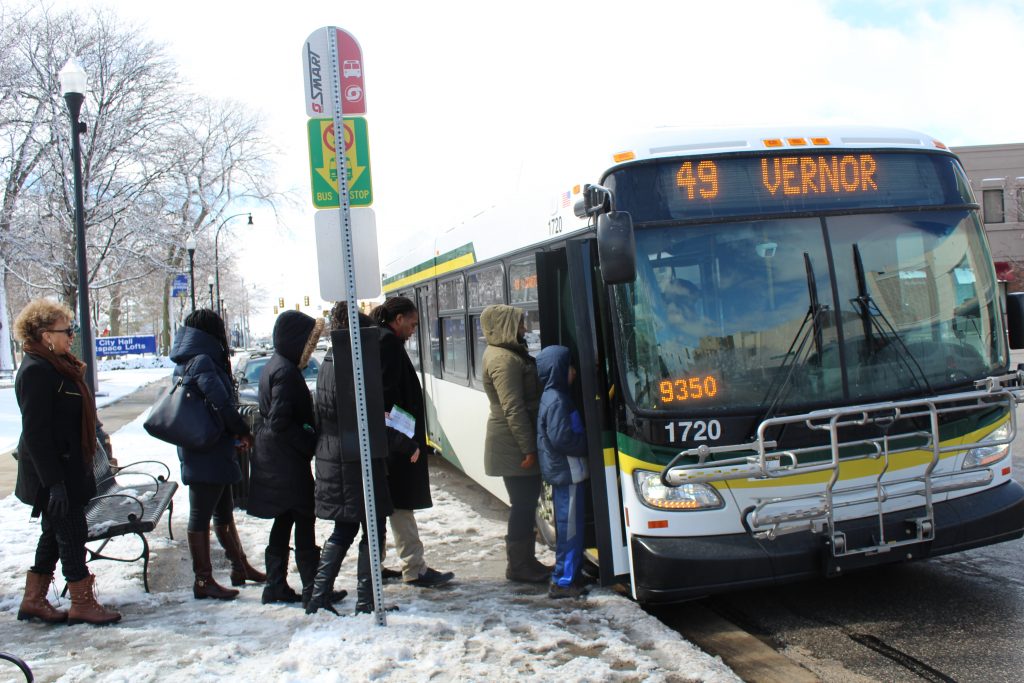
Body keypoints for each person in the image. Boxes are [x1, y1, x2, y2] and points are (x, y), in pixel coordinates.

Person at [12, 299, 120, 625]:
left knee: (54, 533)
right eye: (66, 331)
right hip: (54, 474)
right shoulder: (36, 371)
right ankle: (82, 602)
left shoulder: (57, 365)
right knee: (71, 533)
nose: (70, 336)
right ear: (46, 335)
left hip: (69, 469)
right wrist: (54, 483)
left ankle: (33, 600)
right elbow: (36, 434)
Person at [307, 302, 397, 615]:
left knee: (345, 530)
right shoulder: (350, 366)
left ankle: (320, 597)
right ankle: (366, 600)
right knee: (372, 529)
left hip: (337, 458)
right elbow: (366, 416)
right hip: (355, 461)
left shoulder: (329, 362)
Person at [169, 309, 263, 600]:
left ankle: (240, 566)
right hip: (206, 449)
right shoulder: (203, 361)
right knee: (200, 514)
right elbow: (222, 404)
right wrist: (242, 431)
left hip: (205, 446)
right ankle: (203, 580)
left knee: (223, 509)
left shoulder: (189, 359)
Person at [372, 296, 454, 588]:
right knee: (400, 505)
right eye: (412, 323)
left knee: (388, 505)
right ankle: (414, 568)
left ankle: (376, 564)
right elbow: (386, 399)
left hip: (392, 442)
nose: (413, 329)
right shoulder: (388, 345)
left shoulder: (383, 342)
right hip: (398, 443)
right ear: (398, 320)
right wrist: (404, 439)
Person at [247, 309, 325, 605]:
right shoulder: (286, 372)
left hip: (275, 460)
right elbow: (281, 421)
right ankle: (312, 590)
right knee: (304, 519)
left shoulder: (276, 366)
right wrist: (308, 439)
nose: (312, 347)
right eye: (309, 341)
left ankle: (276, 586)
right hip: (285, 463)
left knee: (284, 521)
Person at [480, 304, 549, 584]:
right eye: (520, 324)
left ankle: (526, 561)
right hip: (513, 445)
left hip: (516, 442)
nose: (526, 329)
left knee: (526, 502)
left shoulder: (507, 353)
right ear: (506, 326)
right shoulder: (503, 359)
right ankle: (519, 566)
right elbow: (513, 408)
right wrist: (528, 449)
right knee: (522, 504)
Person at [535, 345, 589, 599]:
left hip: (567, 472)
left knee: (571, 528)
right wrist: (589, 444)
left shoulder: (554, 395)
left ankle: (568, 576)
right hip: (568, 472)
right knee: (569, 529)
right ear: (558, 370)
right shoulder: (557, 399)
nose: (574, 372)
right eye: (569, 367)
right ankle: (562, 582)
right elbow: (562, 439)